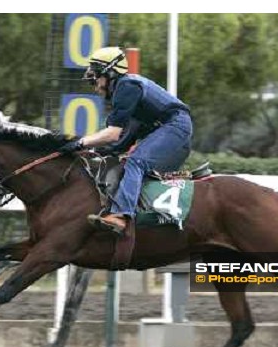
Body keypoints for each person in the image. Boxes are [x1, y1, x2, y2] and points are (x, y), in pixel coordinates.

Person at [59, 46, 193, 235]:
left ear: (110, 73)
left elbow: (112, 133)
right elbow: (123, 140)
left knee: (135, 162)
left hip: (175, 125)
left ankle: (121, 215)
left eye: (95, 79)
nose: (95, 87)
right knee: (125, 161)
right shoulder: (126, 90)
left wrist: (80, 143)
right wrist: (100, 151)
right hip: (170, 126)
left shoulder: (126, 86)